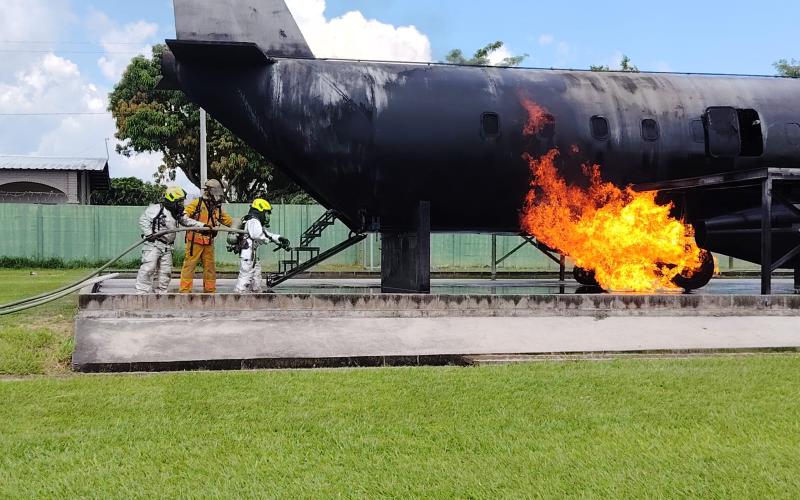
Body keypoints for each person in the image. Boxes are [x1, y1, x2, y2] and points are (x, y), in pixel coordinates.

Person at [136, 187, 209, 295]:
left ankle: (162, 293)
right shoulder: (156, 209)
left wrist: (203, 226)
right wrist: (149, 234)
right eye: (179, 201)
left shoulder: (176, 212)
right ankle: (141, 294)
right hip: (154, 245)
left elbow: (187, 221)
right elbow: (143, 220)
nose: (181, 204)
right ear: (171, 200)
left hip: (167, 247)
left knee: (166, 272)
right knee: (148, 268)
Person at [179, 179, 234, 293]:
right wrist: (199, 226)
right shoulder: (196, 204)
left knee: (210, 268)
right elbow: (184, 217)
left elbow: (228, 221)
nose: (217, 197)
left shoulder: (216, 207)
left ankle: (210, 291)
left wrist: (242, 224)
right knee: (189, 266)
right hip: (195, 241)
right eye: (216, 193)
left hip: (208, 242)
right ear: (209, 192)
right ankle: (185, 291)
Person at [234, 198, 291, 293]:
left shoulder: (256, 221)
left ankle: (256, 294)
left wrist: (279, 238)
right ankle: (239, 296)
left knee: (256, 276)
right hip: (248, 254)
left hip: (252, 254)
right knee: (245, 276)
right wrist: (267, 240)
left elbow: (266, 233)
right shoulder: (253, 221)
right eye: (266, 213)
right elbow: (257, 235)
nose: (268, 216)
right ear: (260, 211)